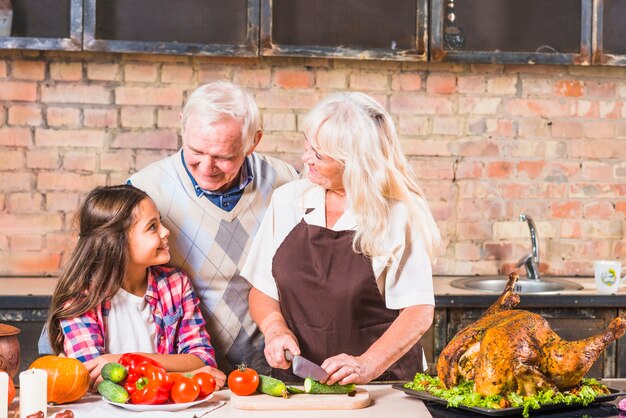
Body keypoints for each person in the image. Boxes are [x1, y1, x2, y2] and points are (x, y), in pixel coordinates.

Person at [241, 92, 442, 385]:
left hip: (382, 386)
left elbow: (418, 311)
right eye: (308, 145)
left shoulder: (399, 213)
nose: (305, 158)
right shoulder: (287, 201)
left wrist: (368, 364)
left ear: (355, 162)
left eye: (319, 155)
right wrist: (274, 329)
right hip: (299, 384)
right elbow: (262, 290)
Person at [128, 81, 299, 374]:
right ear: (183, 125)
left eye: (224, 157)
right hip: (183, 370)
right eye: (196, 151)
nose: (207, 167)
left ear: (253, 141)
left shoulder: (287, 183)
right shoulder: (143, 190)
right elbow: (108, 277)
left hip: (273, 364)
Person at [46, 185, 226, 390]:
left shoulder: (176, 284)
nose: (166, 232)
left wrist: (122, 359)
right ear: (116, 242)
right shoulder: (80, 298)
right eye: (152, 227)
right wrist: (187, 375)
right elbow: (95, 380)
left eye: (161, 222)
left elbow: (203, 359)